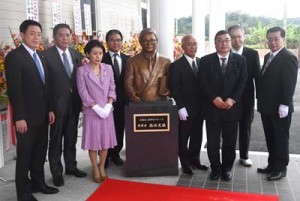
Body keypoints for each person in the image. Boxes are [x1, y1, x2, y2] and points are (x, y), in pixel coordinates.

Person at [5, 19, 58, 201]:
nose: (36, 37)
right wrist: (19, 117)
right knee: (25, 156)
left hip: (43, 115)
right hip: (26, 118)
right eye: (32, 33)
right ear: (22, 35)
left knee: (39, 152)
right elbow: (15, 90)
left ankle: (38, 183)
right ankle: (24, 193)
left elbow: (47, 86)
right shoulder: (14, 57)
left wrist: (50, 109)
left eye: (38, 34)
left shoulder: (41, 56)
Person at [199, 30, 247, 181]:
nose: (224, 43)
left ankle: (227, 168)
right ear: (215, 43)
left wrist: (232, 99)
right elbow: (203, 82)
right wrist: (214, 98)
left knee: (230, 142)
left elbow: (242, 82)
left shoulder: (240, 60)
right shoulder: (206, 61)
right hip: (212, 108)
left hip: (231, 109)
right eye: (220, 40)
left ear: (230, 42)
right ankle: (215, 168)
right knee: (212, 142)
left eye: (226, 40)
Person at [44, 23, 86, 187]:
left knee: (71, 137)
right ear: (54, 37)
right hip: (56, 106)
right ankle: (56, 172)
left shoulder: (76, 54)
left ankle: (71, 166)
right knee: (55, 140)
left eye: (68, 35)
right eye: (61, 35)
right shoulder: (46, 56)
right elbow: (45, 85)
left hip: (74, 104)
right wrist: (49, 108)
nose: (65, 38)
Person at [256, 27, 298, 181]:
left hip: (280, 108)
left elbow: (289, 84)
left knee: (280, 138)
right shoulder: (268, 56)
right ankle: (272, 164)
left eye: (276, 39)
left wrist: (285, 104)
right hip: (267, 107)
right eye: (270, 39)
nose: (272, 42)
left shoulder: (288, 57)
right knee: (270, 137)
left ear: (283, 40)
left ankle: (281, 168)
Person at [77, 40, 117, 183]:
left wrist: (109, 105)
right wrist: (95, 107)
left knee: (105, 142)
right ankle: (94, 167)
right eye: (94, 53)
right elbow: (82, 91)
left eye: (100, 53)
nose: (98, 56)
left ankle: (102, 166)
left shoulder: (108, 68)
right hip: (92, 112)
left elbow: (112, 87)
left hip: (107, 111)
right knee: (94, 142)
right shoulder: (82, 71)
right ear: (88, 54)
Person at [169, 35, 208, 175]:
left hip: (200, 109)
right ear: (183, 47)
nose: (193, 47)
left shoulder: (202, 62)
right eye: (189, 44)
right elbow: (175, 88)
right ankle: (185, 163)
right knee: (183, 137)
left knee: (197, 137)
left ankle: (195, 160)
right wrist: (180, 107)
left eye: (195, 44)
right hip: (185, 109)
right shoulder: (176, 65)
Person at [228, 25, 261, 167]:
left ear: (244, 37)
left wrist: (260, 99)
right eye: (233, 37)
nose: (236, 40)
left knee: (245, 127)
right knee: (229, 129)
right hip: (228, 100)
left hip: (247, 99)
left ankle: (244, 155)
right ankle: (228, 156)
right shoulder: (224, 53)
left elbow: (258, 79)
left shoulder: (252, 54)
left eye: (239, 36)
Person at [102, 29, 129, 168]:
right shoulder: (101, 58)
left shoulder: (128, 59)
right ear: (107, 43)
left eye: (118, 40)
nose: (116, 42)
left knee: (119, 128)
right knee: (106, 129)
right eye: (112, 40)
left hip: (123, 101)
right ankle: (104, 157)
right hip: (105, 102)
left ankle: (115, 154)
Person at [124, 28, 171, 102]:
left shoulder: (166, 61)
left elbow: (171, 82)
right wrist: (132, 94)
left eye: (152, 40)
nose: (149, 43)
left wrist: (169, 91)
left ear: (157, 41)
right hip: (140, 102)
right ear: (140, 42)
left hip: (160, 103)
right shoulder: (132, 61)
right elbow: (128, 82)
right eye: (145, 40)